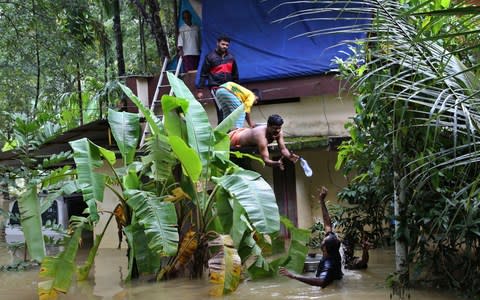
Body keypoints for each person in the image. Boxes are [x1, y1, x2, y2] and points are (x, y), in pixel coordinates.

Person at [279, 186, 343, 287]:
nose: (323, 238)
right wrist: (321, 200)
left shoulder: (329, 264)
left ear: (325, 249)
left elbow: (320, 282)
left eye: (323, 240)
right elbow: (327, 223)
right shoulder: (333, 244)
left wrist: (294, 276)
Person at [228, 114, 299, 169]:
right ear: (268, 126)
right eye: (274, 128)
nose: (277, 131)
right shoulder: (262, 137)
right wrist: (276, 163)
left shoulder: (279, 132)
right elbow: (266, 160)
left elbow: (283, 149)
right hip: (234, 139)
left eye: (279, 128)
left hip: (245, 134)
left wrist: (289, 156)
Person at [196, 36, 239, 123]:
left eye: (227, 45)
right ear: (217, 43)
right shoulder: (210, 57)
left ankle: (227, 130)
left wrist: (236, 89)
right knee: (221, 108)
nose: (225, 46)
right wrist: (200, 90)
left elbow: (235, 74)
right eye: (223, 44)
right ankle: (221, 130)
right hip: (215, 87)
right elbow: (204, 73)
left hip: (228, 87)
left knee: (229, 108)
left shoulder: (231, 57)